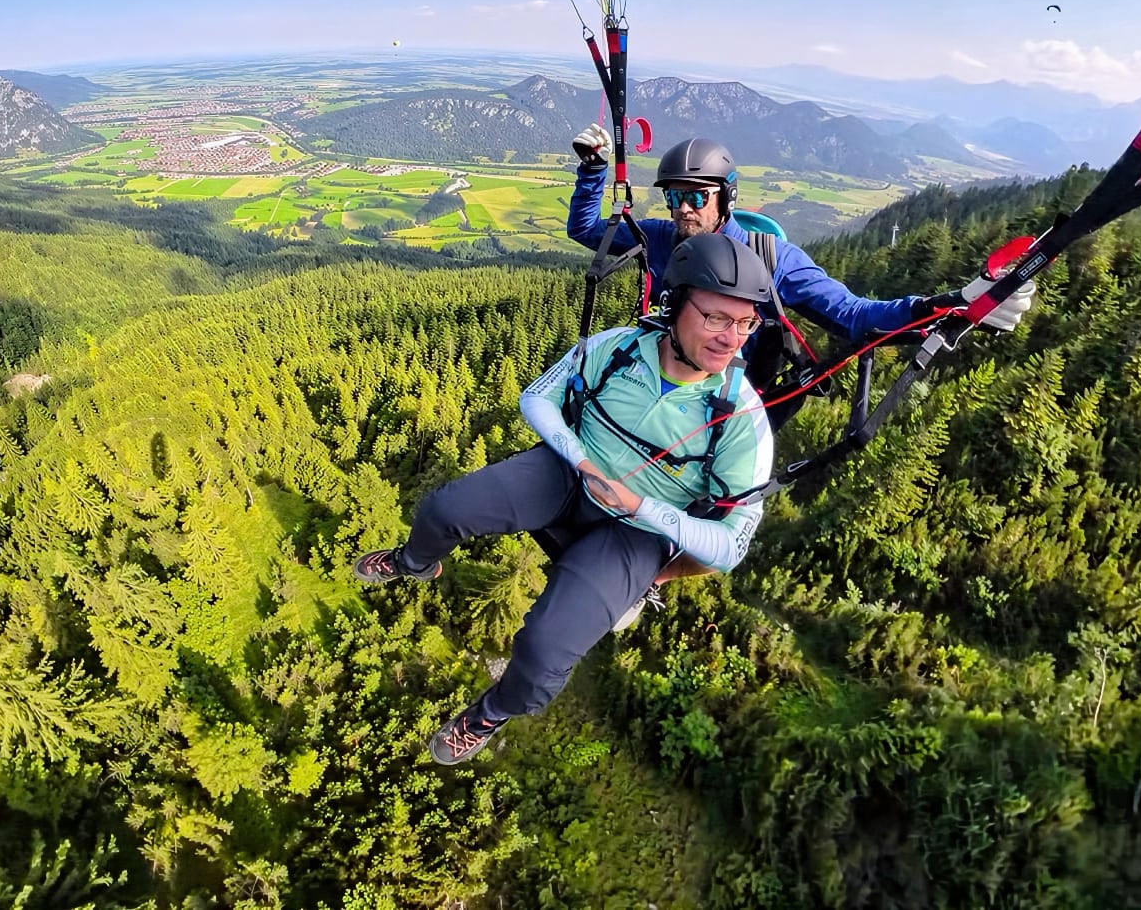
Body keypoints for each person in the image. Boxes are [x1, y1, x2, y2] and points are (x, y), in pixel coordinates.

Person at [353, 233, 783, 765]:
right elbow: (536, 397)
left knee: (543, 654)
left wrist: (642, 509)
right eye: (717, 318)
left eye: (746, 324)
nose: (731, 339)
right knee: (445, 510)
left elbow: (732, 544)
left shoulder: (741, 419)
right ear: (675, 305)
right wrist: (581, 462)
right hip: (568, 472)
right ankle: (413, 563)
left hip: (636, 533)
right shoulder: (615, 347)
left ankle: (490, 713)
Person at [567, 129, 1034, 616]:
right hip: (664, 384)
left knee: (721, 526)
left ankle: (649, 576)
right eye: (675, 197)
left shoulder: (774, 262)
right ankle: (601, 540)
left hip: (733, 409)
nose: (683, 208)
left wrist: (950, 306)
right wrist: (593, 169)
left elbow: (855, 314)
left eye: (696, 196)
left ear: (724, 197)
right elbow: (586, 231)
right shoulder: (664, 240)